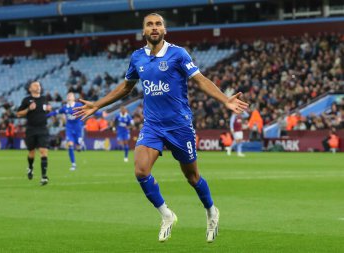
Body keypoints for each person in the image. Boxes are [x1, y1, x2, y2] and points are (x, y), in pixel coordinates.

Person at [74, 13, 248, 243]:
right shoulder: (137, 58)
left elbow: (200, 80)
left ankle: (211, 211)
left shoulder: (178, 53)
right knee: (140, 171)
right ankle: (166, 214)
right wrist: (97, 104)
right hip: (153, 126)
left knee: (193, 177)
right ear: (143, 31)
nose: (154, 28)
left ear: (165, 30)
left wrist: (225, 99)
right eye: (150, 25)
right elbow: (126, 87)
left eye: (158, 24)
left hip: (180, 126)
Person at [17, 81, 51, 185]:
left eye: (39, 85)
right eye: (35, 85)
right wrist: (28, 109)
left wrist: (49, 110)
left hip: (43, 129)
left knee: (43, 151)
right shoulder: (26, 100)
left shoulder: (44, 99)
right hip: (31, 129)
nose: (38, 87)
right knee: (31, 153)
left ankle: (44, 177)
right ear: (30, 89)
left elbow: (47, 110)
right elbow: (18, 114)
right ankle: (30, 167)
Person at [47, 92, 84, 171]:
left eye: (71, 95)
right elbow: (55, 112)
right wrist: (44, 115)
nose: (69, 96)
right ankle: (73, 164)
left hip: (78, 128)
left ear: (74, 98)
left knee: (78, 147)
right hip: (69, 128)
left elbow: (88, 110)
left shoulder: (78, 105)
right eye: (68, 95)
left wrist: (100, 113)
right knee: (70, 145)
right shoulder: (64, 108)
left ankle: (79, 145)